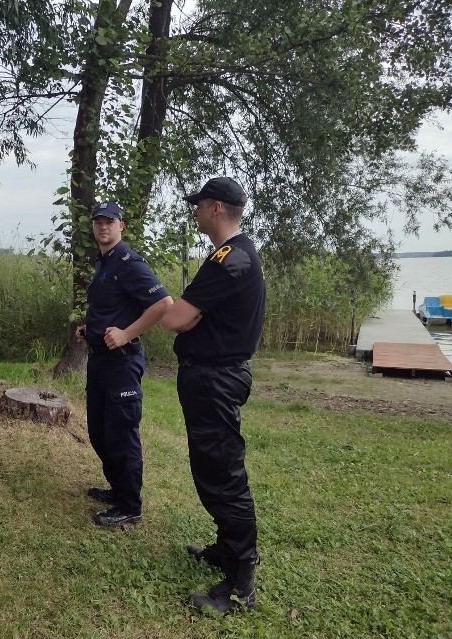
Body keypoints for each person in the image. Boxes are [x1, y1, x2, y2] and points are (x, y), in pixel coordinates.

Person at [161, 177, 265, 612]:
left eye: (199, 205)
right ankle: (226, 550)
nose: (195, 211)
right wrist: (189, 315)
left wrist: (181, 310)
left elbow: (175, 320)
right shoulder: (239, 254)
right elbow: (189, 318)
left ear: (217, 208)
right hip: (214, 376)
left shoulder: (227, 259)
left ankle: (242, 585)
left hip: (215, 379)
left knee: (223, 476)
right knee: (212, 469)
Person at [76, 201, 173, 527]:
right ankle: (119, 490)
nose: (103, 227)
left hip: (121, 364)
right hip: (99, 361)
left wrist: (127, 333)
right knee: (99, 433)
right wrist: (88, 330)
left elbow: (164, 304)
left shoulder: (130, 262)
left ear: (121, 226)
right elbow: (111, 307)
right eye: (98, 221)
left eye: (110, 221)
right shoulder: (104, 263)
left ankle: (130, 506)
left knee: (120, 435)